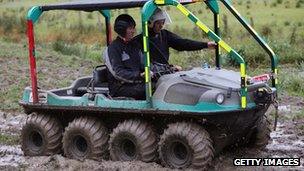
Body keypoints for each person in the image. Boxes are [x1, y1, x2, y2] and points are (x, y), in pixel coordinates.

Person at [136, 8, 217, 71]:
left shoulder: (165, 35)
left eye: (163, 22)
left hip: (164, 72)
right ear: (150, 23)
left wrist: (206, 45)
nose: (161, 26)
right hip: (149, 76)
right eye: (158, 23)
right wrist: (169, 68)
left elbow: (183, 43)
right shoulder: (139, 40)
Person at [103, 14, 146, 100]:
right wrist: (139, 75)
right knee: (149, 89)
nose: (133, 31)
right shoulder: (112, 49)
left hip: (135, 83)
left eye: (133, 28)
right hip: (120, 88)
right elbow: (118, 73)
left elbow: (145, 63)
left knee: (159, 84)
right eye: (130, 28)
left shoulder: (134, 46)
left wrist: (167, 68)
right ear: (122, 30)